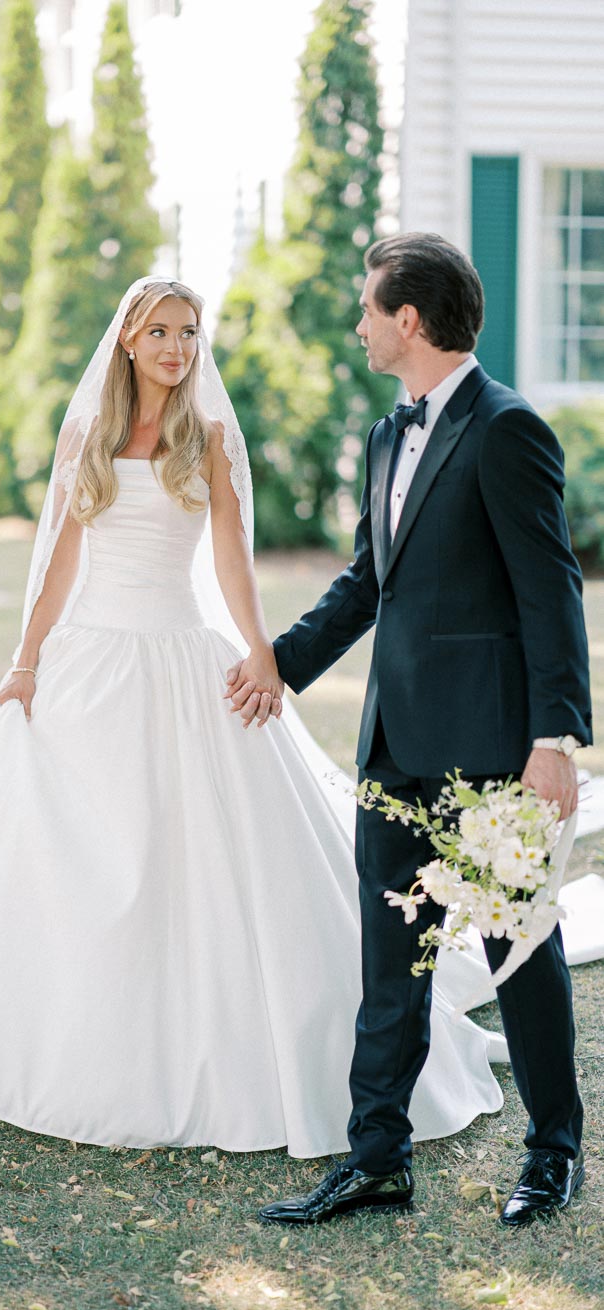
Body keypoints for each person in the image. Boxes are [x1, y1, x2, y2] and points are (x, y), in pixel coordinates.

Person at [0, 276, 506, 1157]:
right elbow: (60, 563)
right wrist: (25, 660)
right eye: (160, 333)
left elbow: (232, 561)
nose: (177, 350)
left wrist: (262, 653)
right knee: (85, 846)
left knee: (201, 853)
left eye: (188, 333)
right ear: (127, 341)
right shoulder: (90, 437)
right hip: (91, 663)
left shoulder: (210, 438)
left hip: (183, 653)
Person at [227, 234, 593, 1227]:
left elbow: (550, 589)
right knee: (389, 968)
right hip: (393, 749)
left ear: (409, 319)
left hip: (494, 753)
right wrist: (280, 664)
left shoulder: (508, 429)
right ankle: (375, 1159)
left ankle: (555, 1154)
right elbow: (365, 582)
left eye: (367, 308)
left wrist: (556, 738)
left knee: (521, 955)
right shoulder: (388, 436)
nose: (357, 324)